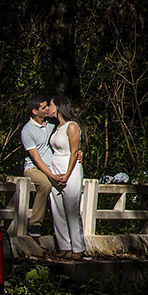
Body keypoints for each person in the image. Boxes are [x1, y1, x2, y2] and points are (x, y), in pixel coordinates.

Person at [47, 95, 89, 260]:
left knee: (72, 209)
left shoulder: (72, 126)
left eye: (50, 105)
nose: (48, 109)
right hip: (55, 168)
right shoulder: (57, 127)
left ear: (58, 106)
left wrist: (67, 174)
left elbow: (73, 151)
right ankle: (64, 245)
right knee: (57, 209)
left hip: (69, 169)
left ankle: (78, 247)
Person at [19, 94, 55, 237]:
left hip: (53, 167)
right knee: (45, 185)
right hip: (33, 168)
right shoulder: (27, 131)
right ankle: (34, 225)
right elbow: (36, 158)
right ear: (35, 111)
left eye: (47, 106)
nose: (47, 109)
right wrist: (51, 175)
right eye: (44, 107)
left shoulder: (52, 125)